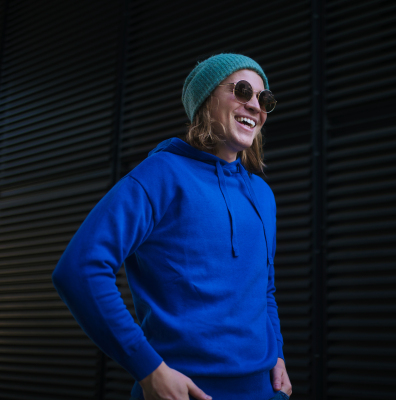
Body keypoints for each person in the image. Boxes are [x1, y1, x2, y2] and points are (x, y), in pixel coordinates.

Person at [52, 53, 292, 400]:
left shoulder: (263, 195)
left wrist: (278, 352)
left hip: (263, 391)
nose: (255, 105)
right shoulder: (161, 175)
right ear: (206, 102)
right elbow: (78, 270)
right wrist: (149, 369)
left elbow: (263, 289)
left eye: (263, 98)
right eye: (242, 91)